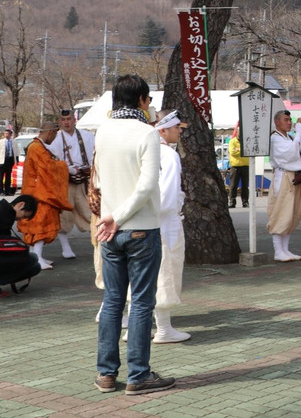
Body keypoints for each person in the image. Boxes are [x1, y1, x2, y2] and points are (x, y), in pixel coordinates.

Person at [94, 74, 175, 395]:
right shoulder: (147, 133)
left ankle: (106, 373)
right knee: (141, 302)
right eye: (149, 100)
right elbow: (146, 185)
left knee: (113, 301)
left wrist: (110, 217)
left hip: (109, 230)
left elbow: (99, 179)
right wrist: (120, 217)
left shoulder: (103, 132)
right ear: (142, 100)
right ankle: (139, 375)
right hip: (139, 227)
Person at [152, 111, 189, 343]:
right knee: (166, 271)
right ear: (163, 130)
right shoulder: (168, 155)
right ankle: (164, 329)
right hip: (165, 220)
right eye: (176, 127)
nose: (180, 131)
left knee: (144, 275)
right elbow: (167, 195)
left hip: (144, 220)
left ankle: (139, 327)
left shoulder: (146, 150)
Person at [17, 118, 72, 270]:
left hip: (39, 191)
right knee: (39, 226)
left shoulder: (38, 146)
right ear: (50, 132)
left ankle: (36, 256)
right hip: (39, 194)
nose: (54, 139)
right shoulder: (36, 148)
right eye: (54, 135)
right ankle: (37, 257)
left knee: (39, 225)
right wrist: (64, 166)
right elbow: (48, 168)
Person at [267, 110, 301, 262]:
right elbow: (291, 153)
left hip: (295, 177)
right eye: (285, 120)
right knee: (280, 212)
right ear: (277, 122)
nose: (289, 122)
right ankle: (278, 250)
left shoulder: (290, 137)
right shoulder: (275, 138)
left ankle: (285, 249)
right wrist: (298, 133)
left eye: (289, 120)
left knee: (291, 213)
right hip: (284, 176)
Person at [53, 107, 96, 259]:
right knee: (65, 213)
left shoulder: (87, 135)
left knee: (90, 210)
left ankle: (99, 245)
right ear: (59, 121)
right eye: (63, 120)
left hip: (85, 179)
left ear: (74, 120)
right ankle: (66, 247)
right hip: (66, 181)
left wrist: (88, 169)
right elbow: (55, 161)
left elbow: (94, 155)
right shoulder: (56, 139)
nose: (66, 122)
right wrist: (70, 169)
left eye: (69, 119)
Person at [0, 194, 41, 289]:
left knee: (33, 262)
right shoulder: (4, 214)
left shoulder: (5, 211)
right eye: (24, 215)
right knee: (33, 260)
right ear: (20, 205)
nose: (21, 219)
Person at [227, 124, 249, 208]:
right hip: (235, 166)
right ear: (237, 133)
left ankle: (245, 202)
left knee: (245, 186)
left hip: (245, 165)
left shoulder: (247, 141)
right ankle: (232, 202)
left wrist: (238, 150)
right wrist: (242, 151)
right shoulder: (232, 141)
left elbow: (248, 151)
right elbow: (232, 152)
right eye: (240, 133)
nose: (241, 134)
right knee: (233, 185)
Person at [2, 127, 15, 195]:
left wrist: (16, 159)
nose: (6, 135)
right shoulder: (1, 142)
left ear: (10, 135)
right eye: (5, 133)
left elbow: (16, 151)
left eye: (8, 134)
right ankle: (1, 191)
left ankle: (7, 191)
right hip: (2, 160)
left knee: (8, 177)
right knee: (0, 176)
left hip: (10, 160)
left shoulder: (13, 142)